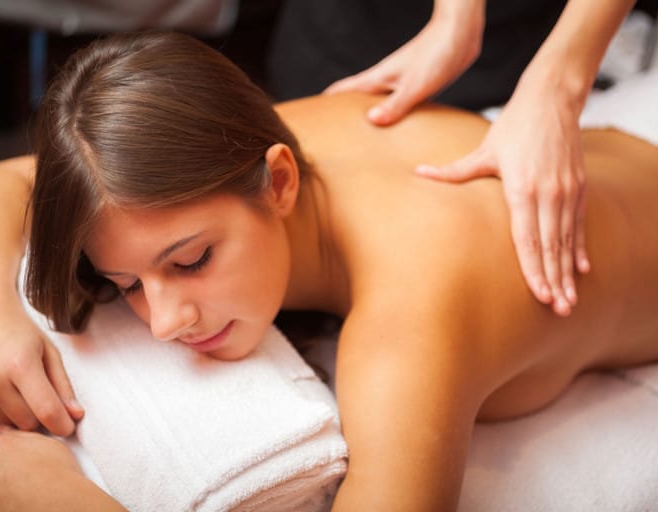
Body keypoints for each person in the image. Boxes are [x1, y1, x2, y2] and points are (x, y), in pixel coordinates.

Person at [0, 31, 658, 511]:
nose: (165, 321)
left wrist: (70, 504)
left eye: (189, 261)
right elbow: (5, 181)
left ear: (279, 181)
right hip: (657, 133)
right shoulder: (252, 141)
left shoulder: (415, 310)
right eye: (127, 286)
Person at [271, 0, 637, 317]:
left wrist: (559, 86)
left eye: (208, 256)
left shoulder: (421, 295)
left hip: (519, 59)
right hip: (349, 38)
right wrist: (456, 18)